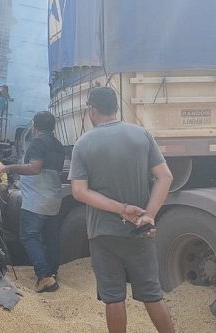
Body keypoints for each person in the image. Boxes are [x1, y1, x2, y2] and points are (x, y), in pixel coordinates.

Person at [68, 87, 175, 333]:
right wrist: (148, 215)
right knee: (152, 294)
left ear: (92, 111)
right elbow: (165, 177)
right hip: (140, 231)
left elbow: (79, 192)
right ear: (116, 108)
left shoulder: (83, 143)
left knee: (113, 297)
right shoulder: (141, 135)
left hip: (103, 234)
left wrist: (121, 209)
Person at [0, 111, 65, 292]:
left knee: (28, 235)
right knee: (51, 237)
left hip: (36, 199)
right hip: (53, 199)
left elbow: (34, 168)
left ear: (35, 127)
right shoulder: (58, 145)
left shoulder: (38, 142)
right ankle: (52, 272)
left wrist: (7, 168)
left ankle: (43, 276)